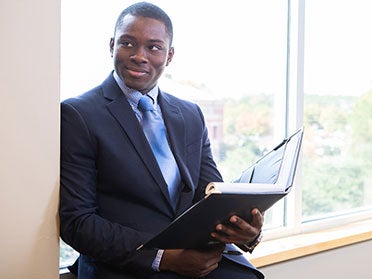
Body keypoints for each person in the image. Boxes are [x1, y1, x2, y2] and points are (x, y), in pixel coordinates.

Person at [60, 2, 265, 278]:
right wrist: (163, 258)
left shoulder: (191, 114)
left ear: (169, 56)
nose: (139, 56)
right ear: (111, 46)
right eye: (128, 43)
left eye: (153, 47)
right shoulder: (78, 115)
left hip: (199, 254)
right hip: (128, 263)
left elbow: (210, 196)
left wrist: (245, 232)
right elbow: (78, 222)